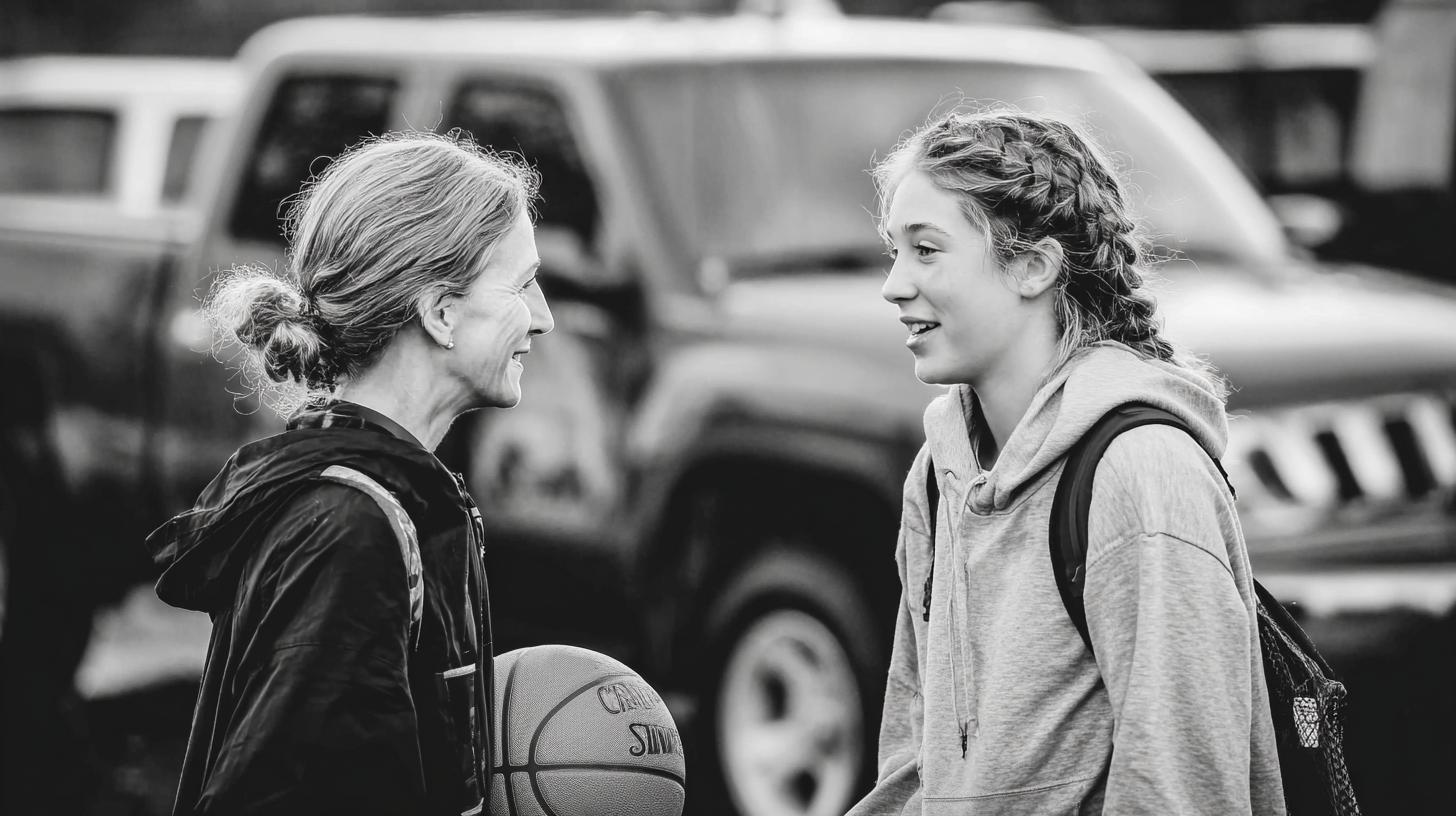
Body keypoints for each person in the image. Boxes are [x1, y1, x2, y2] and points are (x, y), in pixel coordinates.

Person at [849, 109, 1284, 815]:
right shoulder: (939, 473)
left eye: (926, 250)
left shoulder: (1142, 473)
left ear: (1033, 266)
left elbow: (1181, 794)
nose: (894, 284)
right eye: (893, 250)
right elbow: (913, 772)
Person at [145, 131, 552, 816]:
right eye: (522, 285)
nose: (543, 319)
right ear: (441, 312)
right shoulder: (351, 528)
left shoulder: (389, 498)